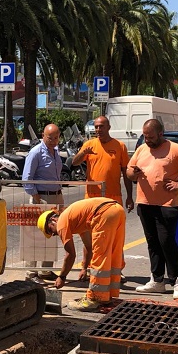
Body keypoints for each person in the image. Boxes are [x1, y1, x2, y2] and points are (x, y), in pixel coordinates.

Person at [126, 119, 178, 299]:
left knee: (166, 242)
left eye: (151, 137)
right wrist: (134, 173)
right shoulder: (142, 149)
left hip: (168, 204)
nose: (147, 140)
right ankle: (157, 280)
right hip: (145, 203)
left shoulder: (175, 149)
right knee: (153, 243)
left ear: (161, 134)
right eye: (145, 137)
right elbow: (129, 171)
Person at [71, 115, 133, 282]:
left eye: (101, 126)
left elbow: (125, 173)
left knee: (115, 236)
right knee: (88, 235)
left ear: (108, 127)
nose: (98, 130)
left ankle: (116, 269)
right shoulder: (89, 145)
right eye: (96, 127)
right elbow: (74, 163)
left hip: (113, 198)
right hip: (91, 198)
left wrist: (129, 197)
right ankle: (85, 267)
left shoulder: (119, 146)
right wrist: (83, 152)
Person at [36, 197, 125, 312]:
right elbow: (88, 246)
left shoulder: (62, 223)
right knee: (113, 252)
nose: (54, 234)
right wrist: (84, 267)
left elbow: (70, 254)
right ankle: (108, 295)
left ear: (52, 220)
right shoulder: (76, 219)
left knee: (100, 256)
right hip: (117, 210)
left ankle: (94, 299)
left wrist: (62, 277)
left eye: (51, 231)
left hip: (103, 213)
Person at [22, 123, 64, 280]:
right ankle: (31, 272)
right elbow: (27, 178)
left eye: (56, 137)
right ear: (43, 136)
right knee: (36, 235)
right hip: (42, 197)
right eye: (49, 137)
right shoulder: (36, 152)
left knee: (53, 233)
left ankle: (46, 270)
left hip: (56, 196)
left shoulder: (56, 151)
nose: (53, 140)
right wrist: (37, 198)